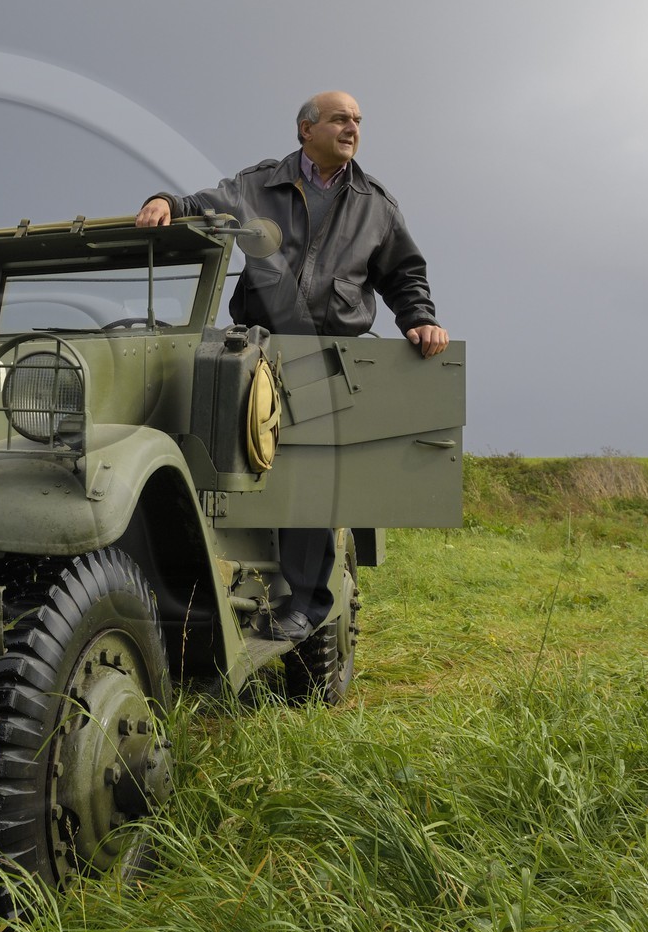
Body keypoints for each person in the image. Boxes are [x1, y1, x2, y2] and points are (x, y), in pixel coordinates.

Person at [136, 90, 449, 643]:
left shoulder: (375, 203)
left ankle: (305, 604)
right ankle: (212, 584)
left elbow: (404, 274)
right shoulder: (259, 186)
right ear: (306, 129)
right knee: (235, 461)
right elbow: (208, 202)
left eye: (357, 121)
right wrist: (167, 202)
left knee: (314, 476)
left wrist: (419, 319)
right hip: (256, 349)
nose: (351, 128)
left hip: (329, 355)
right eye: (339, 119)